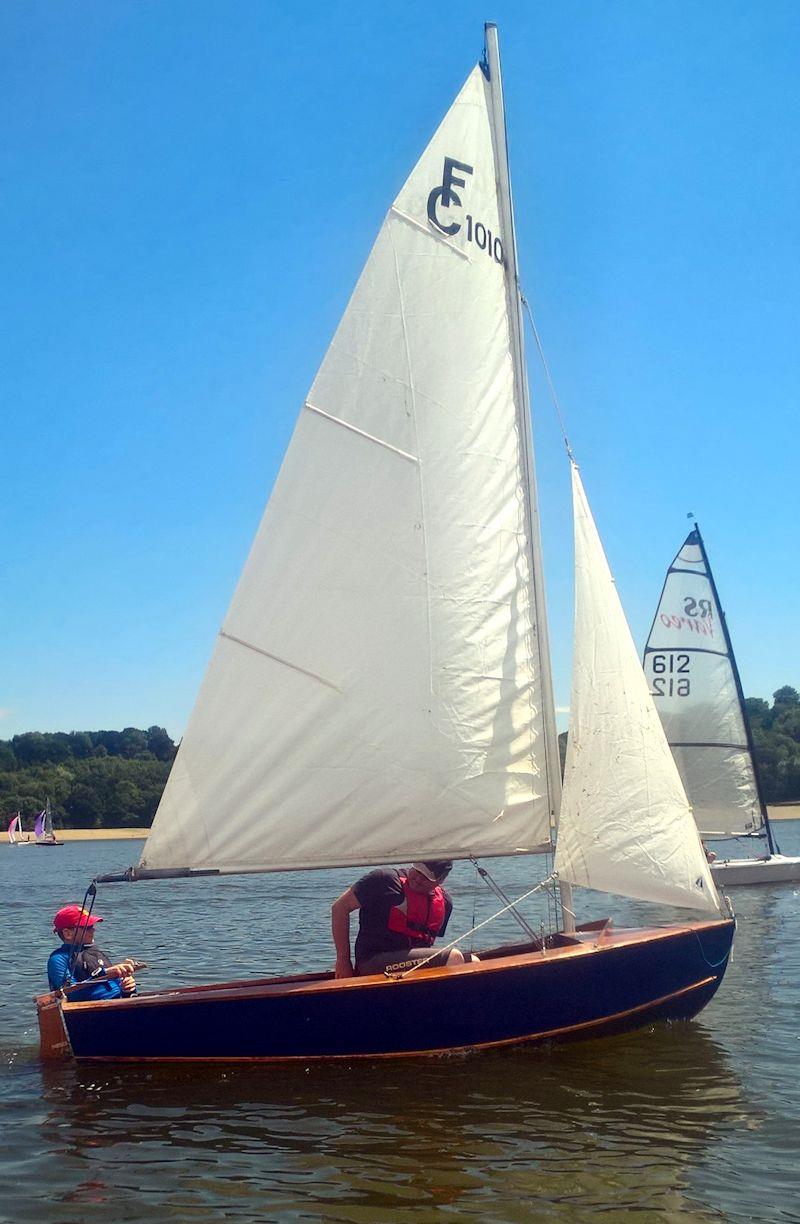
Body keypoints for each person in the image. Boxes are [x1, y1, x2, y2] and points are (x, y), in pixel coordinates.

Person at [332, 860, 471, 978]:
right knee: (454, 957)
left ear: (441, 880)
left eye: (427, 876)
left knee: (474, 962)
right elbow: (340, 907)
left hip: (408, 966)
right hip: (372, 961)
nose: (418, 878)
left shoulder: (446, 902)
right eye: (417, 869)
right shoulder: (384, 880)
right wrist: (343, 961)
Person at [47, 904, 137, 1001]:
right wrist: (103, 973)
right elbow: (71, 994)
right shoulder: (58, 959)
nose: (93, 930)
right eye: (88, 927)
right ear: (68, 934)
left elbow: (119, 986)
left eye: (92, 926)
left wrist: (128, 986)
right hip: (90, 1011)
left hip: (119, 1004)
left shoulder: (96, 953)